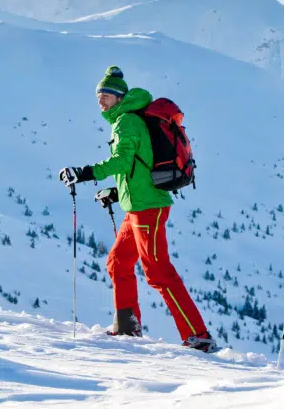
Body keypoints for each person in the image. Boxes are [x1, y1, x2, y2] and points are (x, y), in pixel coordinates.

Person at [59, 66, 216, 353]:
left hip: (148, 208)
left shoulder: (127, 122)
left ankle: (198, 335)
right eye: (99, 95)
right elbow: (137, 167)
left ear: (119, 97)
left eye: (106, 95)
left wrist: (85, 172)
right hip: (137, 206)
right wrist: (118, 192)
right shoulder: (127, 119)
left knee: (157, 271)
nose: (101, 100)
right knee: (118, 262)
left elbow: (121, 161)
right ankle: (127, 325)